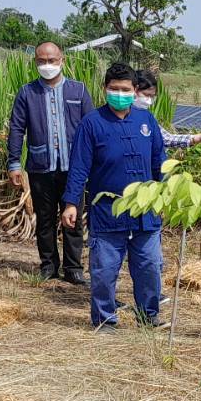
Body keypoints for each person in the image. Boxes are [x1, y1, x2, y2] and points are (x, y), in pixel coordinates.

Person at [62, 63, 166, 329]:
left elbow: (159, 163)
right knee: (104, 272)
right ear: (105, 89)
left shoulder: (147, 122)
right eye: (114, 89)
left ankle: (149, 315)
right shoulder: (92, 123)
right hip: (107, 213)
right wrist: (71, 203)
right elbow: (79, 167)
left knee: (150, 267)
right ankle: (105, 319)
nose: (120, 94)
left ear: (135, 91)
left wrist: (165, 194)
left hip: (145, 213)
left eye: (126, 89)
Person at [7, 42, 92, 284]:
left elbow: (91, 127)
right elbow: (16, 129)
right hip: (40, 166)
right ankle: (48, 265)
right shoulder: (27, 93)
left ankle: (74, 267)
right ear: (35, 62)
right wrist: (14, 163)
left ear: (62, 60)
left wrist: (93, 162)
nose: (47, 65)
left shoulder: (79, 90)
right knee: (45, 218)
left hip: (73, 169)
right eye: (42, 61)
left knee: (72, 218)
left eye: (52, 60)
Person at [132, 67, 201, 148]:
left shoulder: (147, 117)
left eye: (152, 96)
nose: (149, 101)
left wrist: (198, 137)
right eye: (146, 95)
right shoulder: (121, 117)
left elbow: (167, 138)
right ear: (134, 90)